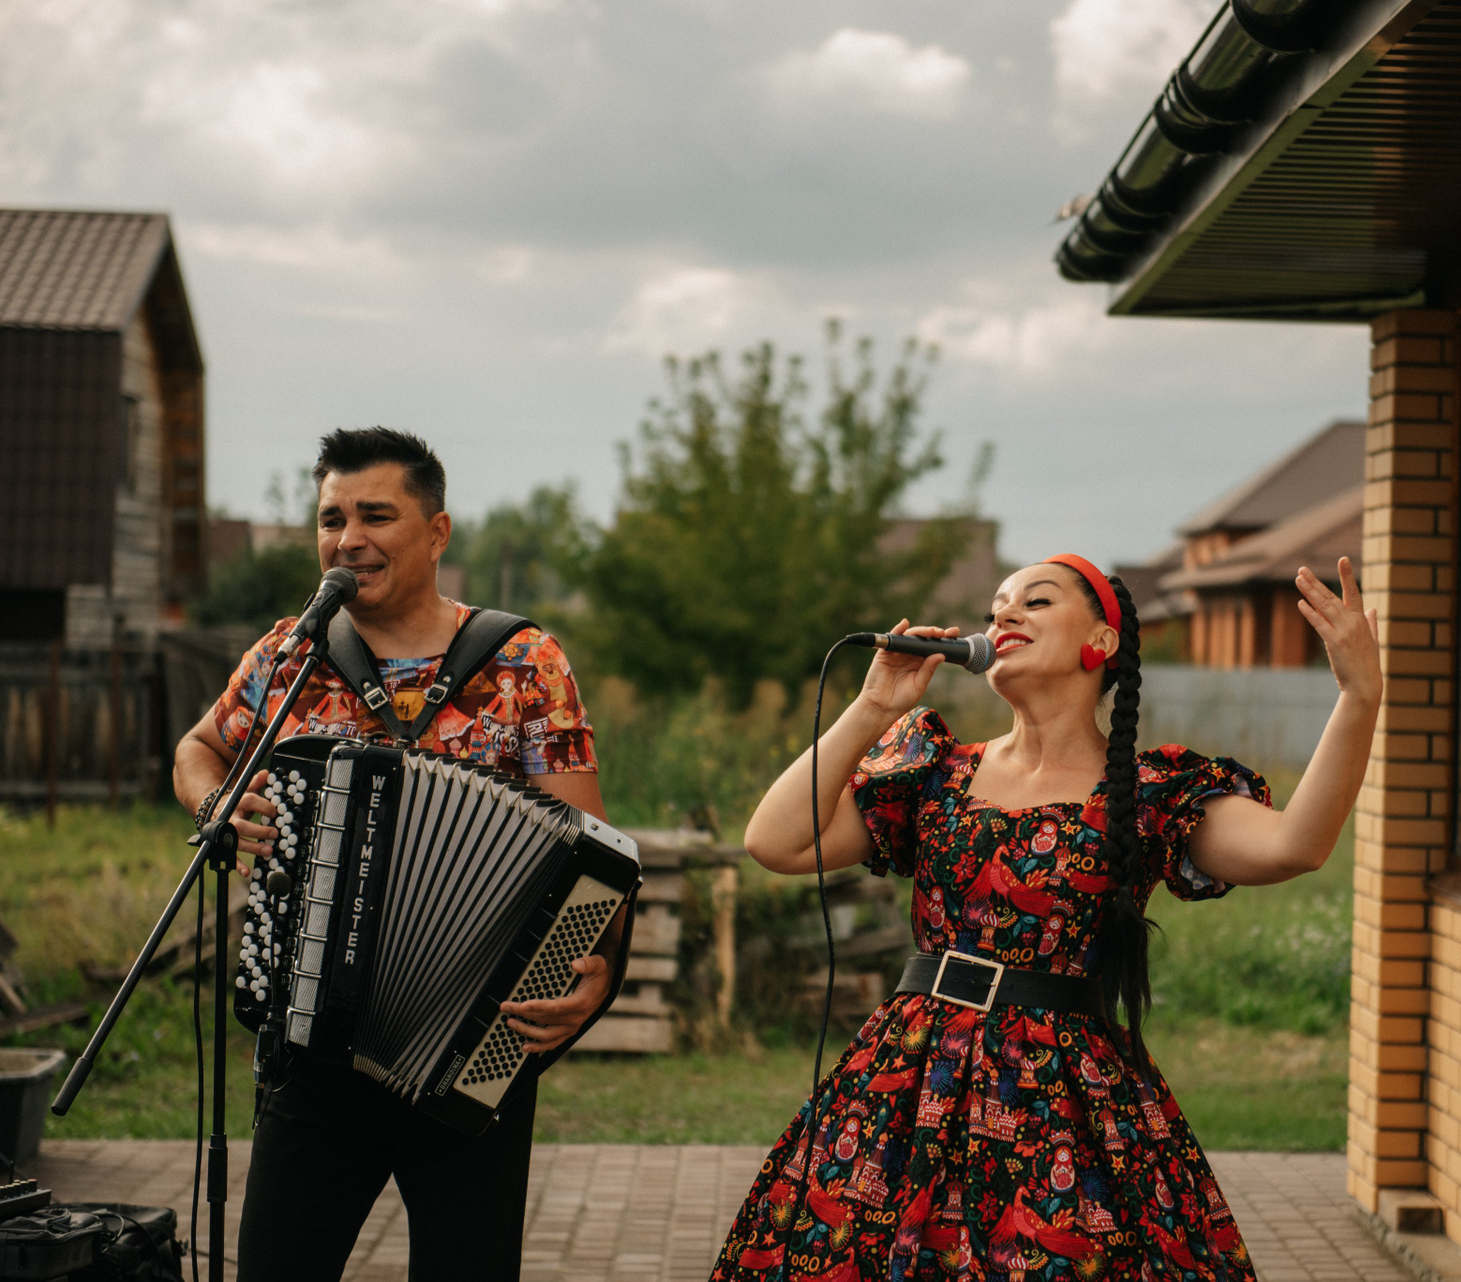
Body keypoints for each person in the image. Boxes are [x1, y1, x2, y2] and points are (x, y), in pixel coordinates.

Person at [716, 552, 1381, 1282]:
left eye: (1035, 601)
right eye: (997, 605)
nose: (1004, 613)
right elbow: (775, 841)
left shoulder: (1151, 792)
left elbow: (1296, 846)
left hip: (1065, 1098)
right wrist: (873, 708)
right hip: (908, 1080)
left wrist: (1358, 696)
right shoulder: (935, 771)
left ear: (1101, 642)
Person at [172, 428, 615, 1282]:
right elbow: (200, 748)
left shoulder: (524, 663)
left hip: (471, 1042)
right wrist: (216, 803)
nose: (349, 539)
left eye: (376, 516)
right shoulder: (290, 655)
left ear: (437, 532)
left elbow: (591, 853)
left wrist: (600, 967)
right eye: (331, 519)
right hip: (308, 1044)